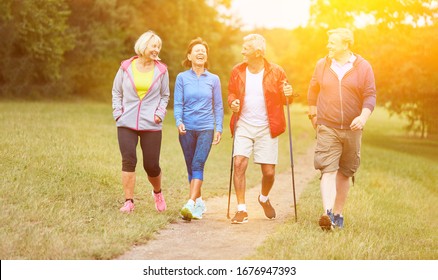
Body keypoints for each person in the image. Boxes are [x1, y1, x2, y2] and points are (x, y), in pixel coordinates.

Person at [307, 28, 376, 230]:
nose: (328, 46)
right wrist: (313, 115)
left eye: (332, 43)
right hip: (328, 125)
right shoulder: (322, 65)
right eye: (328, 42)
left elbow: (370, 95)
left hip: (353, 128)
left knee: (345, 172)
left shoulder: (363, 67)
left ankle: (338, 214)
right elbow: (312, 90)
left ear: (346, 45)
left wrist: (363, 117)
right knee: (327, 169)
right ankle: (327, 213)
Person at [227, 34, 293, 224]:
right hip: (244, 125)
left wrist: (288, 93)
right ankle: (241, 209)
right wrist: (233, 102)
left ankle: (263, 198)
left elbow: (285, 97)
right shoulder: (237, 71)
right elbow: (231, 92)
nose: (242, 51)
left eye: (245, 48)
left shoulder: (277, 71)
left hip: (267, 127)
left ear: (258, 52)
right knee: (239, 163)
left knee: (269, 173)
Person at [112, 30, 170, 213]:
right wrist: (118, 113)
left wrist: (159, 114)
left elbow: (165, 95)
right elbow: (116, 91)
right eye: (154, 46)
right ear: (144, 46)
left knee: (151, 165)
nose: (156, 49)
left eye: (158, 47)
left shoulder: (161, 70)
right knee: (128, 160)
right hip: (126, 121)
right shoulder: (126, 67)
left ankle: (157, 192)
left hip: (151, 123)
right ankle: (129, 201)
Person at [174, 37, 224, 221]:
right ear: (189, 56)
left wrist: (218, 127)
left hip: (205, 128)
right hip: (186, 129)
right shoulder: (182, 78)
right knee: (190, 167)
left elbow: (218, 106)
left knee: (198, 164)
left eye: (203, 50)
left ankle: (190, 203)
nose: (201, 53)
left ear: (206, 56)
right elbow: (178, 103)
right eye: (197, 50)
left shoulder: (214, 79)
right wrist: (178, 121)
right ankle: (199, 203)